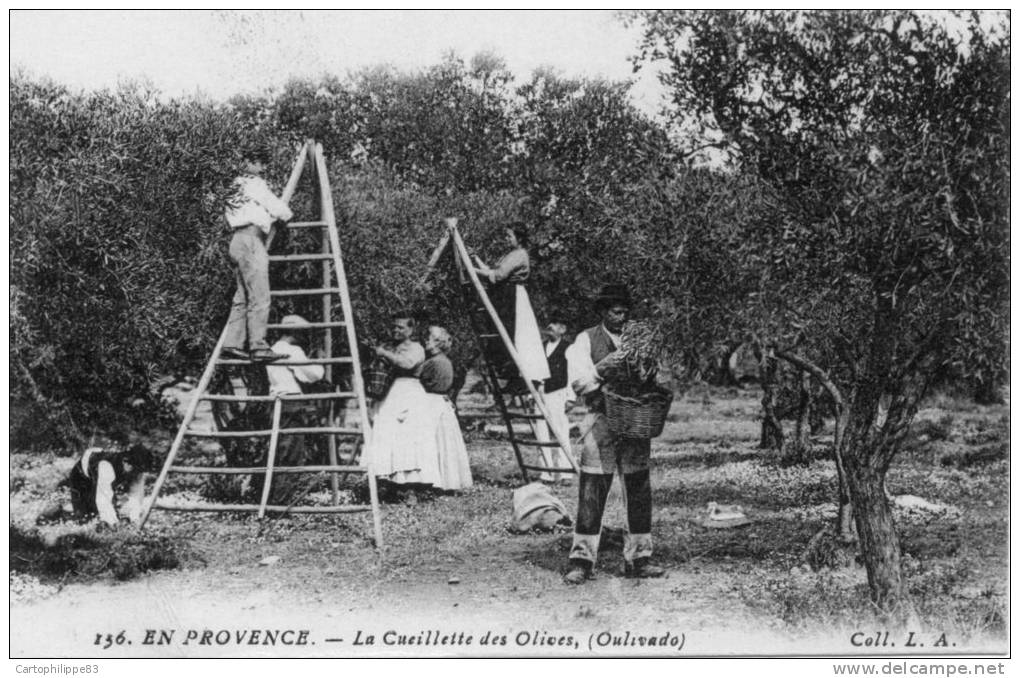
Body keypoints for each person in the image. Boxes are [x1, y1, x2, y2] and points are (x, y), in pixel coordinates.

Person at [563, 283, 665, 583]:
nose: (620, 317)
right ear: (603, 312)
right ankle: (581, 559)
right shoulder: (585, 340)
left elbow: (657, 377)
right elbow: (580, 384)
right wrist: (604, 367)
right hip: (601, 420)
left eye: (624, 311)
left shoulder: (640, 340)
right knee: (593, 487)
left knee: (637, 488)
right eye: (614, 311)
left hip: (635, 422)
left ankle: (640, 558)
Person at [222, 148, 294, 363]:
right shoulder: (253, 183)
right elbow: (277, 207)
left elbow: (256, 210)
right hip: (251, 240)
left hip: (237, 240)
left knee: (242, 297)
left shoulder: (232, 185)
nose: (262, 168)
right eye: (258, 162)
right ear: (246, 161)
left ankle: (233, 342)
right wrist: (287, 215)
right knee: (260, 297)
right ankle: (258, 346)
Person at [473, 222, 550, 388]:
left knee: (516, 333)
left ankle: (519, 376)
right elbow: (491, 271)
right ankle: (511, 374)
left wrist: (473, 271)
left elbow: (498, 275)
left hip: (513, 297)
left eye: (509, 236)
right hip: (506, 296)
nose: (506, 239)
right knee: (505, 333)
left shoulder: (519, 254)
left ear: (519, 238)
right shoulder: (511, 254)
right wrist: (475, 259)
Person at [365, 312, 430, 491]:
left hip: (409, 393)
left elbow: (407, 364)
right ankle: (387, 482)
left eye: (401, 327)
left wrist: (384, 353)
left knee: (407, 437)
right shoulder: (389, 346)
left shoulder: (416, 348)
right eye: (394, 326)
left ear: (411, 329)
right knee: (387, 434)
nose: (396, 330)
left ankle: (410, 486)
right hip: (390, 393)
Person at [264, 314, 326, 474]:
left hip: (275, 399)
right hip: (291, 400)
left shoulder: (272, 349)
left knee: (280, 447)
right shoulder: (292, 350)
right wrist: (320, 362)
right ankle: (284, 494)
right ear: (295, 333)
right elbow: (313, 374)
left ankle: (276, 491)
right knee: (292, 450)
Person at [418, 326, 473, 491]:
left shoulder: (432, 362)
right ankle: (448, 479)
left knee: (432, 441)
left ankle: (434, 480)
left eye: (429, 339)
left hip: (431, 403)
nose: (426, 342)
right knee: (446, 443)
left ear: (437, 342)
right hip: (442, 403)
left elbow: (420, 382)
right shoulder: (445, 360)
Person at [60, 442, 154, 526]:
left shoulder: (137, 471)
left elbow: (136, 496)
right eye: (135, 470)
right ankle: (63, 513)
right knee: (85, 519)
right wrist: (113, 524)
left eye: (139, 471)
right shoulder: (106, 467)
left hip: (101, 477)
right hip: (81, 478)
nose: (136, 474)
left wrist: (135, 520)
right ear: (125, 462)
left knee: (107, 514)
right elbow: (103, 499)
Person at [533, 322, 573, 483]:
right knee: (541, 432)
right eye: (549, 323)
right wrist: (532, 395)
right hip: (540, 393)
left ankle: (565, 473)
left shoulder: (568, 348)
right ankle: (546, 472)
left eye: (555, 324)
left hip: (558, 392)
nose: (550, 326)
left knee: (561, 432)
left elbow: (572, 373)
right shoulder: (541, 347)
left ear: (563, 328)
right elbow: (534, 371)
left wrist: (571, 397)